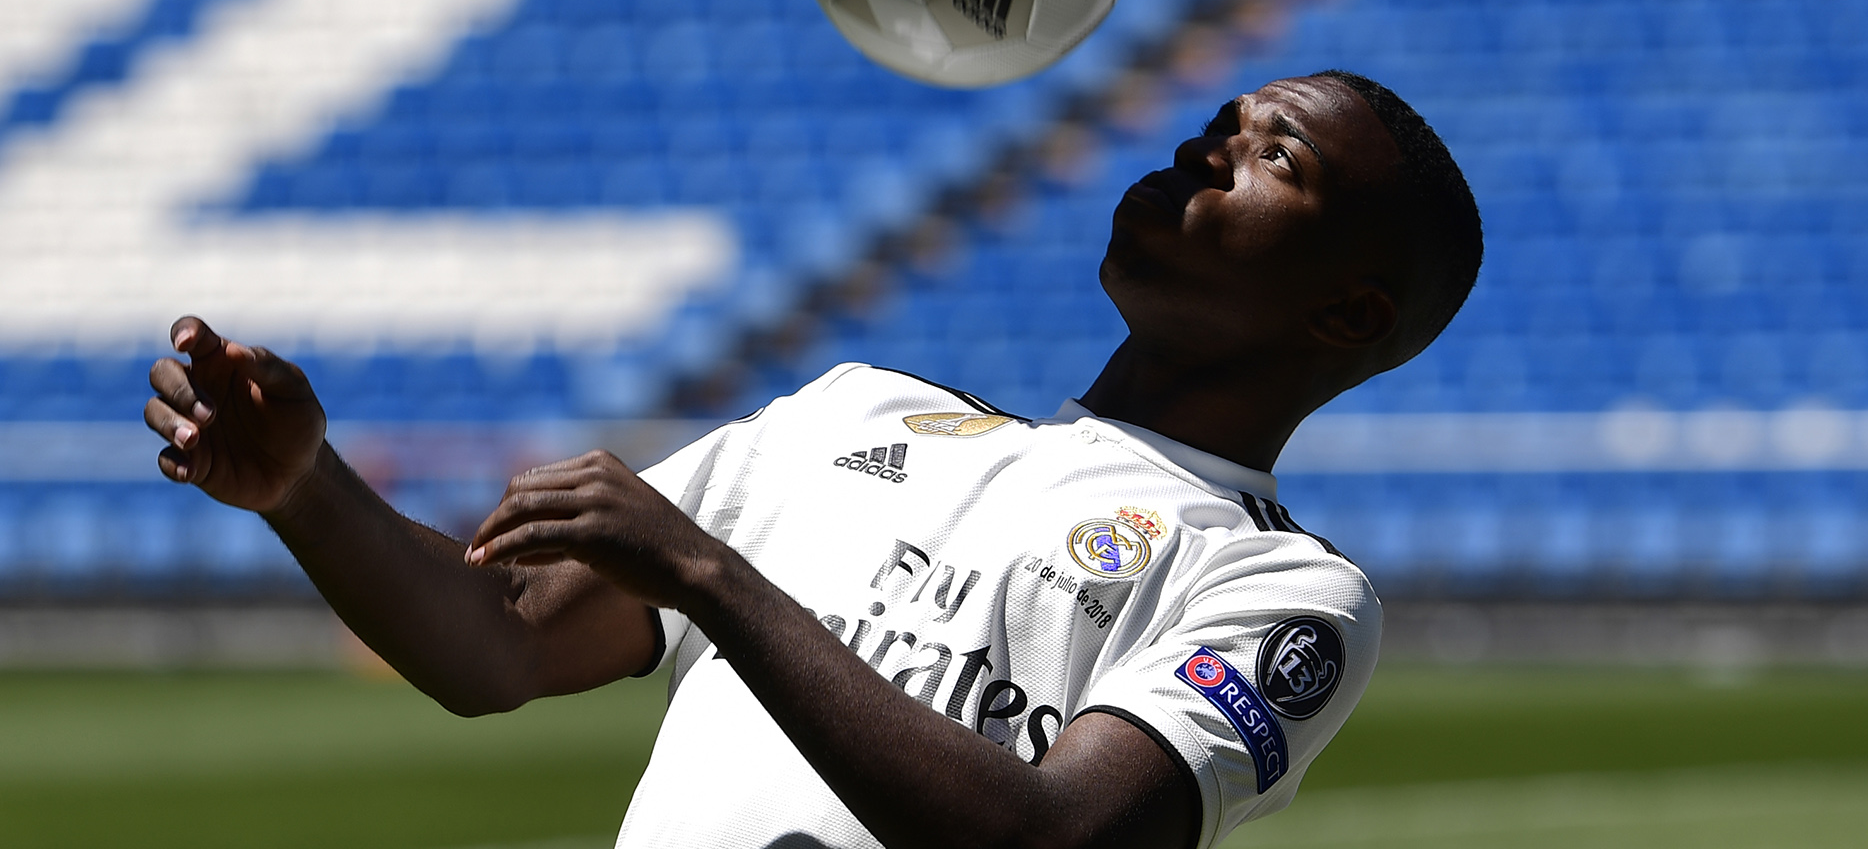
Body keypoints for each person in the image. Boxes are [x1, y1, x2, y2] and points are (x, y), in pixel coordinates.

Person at [143, 70, 1480, 849]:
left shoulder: (1281, 591)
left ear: (1349, 312)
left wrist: (713, 579)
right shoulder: (852, 414)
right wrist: (303, 487)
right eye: (1220, 123)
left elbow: (1059, 839)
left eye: (1276, 155)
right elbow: (498, 643)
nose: (1212, 144)